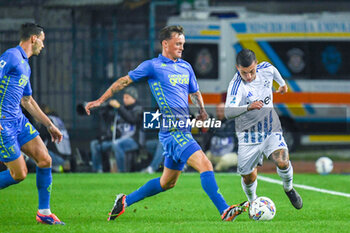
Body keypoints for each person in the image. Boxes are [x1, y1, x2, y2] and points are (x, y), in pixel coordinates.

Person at [85, 25, 248, 222]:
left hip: (182, 128)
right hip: (173, 130)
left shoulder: (186, 66)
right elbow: (123, 82)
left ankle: (125, 201)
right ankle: (224, 210)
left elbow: (194, 92)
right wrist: (100, 101)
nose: (181, 47)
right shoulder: (152, 66)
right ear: (165, 43)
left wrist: (202, 110)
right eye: (178, 43)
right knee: (205, 165)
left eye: (183, 44)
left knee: (167, 183)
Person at [0, 23, 64, 224]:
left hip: (18, 120)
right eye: (42, 41)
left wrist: (49, 124)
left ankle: (44, 214)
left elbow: (27, 100)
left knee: (45, 159)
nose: (43, 46)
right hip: (4, 124)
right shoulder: (11, 56)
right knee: (19, 174)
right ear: (34, 39)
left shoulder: (25, 64)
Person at [224, 48, 303, 209]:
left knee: (282, 160)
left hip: (270, 128)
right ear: (237, 68)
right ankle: (253, 201)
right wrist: (248, 107)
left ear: (257, 65)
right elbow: (228, 112)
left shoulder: (266, 69)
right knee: (249, 177)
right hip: (248, 135)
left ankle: (289, 188)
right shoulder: (236, 86)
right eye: (243, 73)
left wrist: (281, 84)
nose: (248, 76)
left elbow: (273, 70)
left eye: (251, 71)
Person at [90, 86, 143, 172]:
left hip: (133, 140)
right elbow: (106, 118)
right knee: (95, 144)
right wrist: (106, 107)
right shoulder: (121, 109)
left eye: (127, 97)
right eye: (124, 97)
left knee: (117, 144)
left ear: (134, 98)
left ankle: (121, 171)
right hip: (117, 139)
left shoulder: (138, 109)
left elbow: (132, 119)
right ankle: (98, 171)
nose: (124, 99)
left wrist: (118, 107)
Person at [203, 103, 238, 172]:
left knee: (225, 161)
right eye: (217, 111)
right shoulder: (215, 123)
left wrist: (211, 129)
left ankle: (216, 171)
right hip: (215, 153)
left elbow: (225, 133)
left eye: (221, 111)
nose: (219, 113)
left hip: (232, 153)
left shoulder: (234, 123)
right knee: (204, 157)